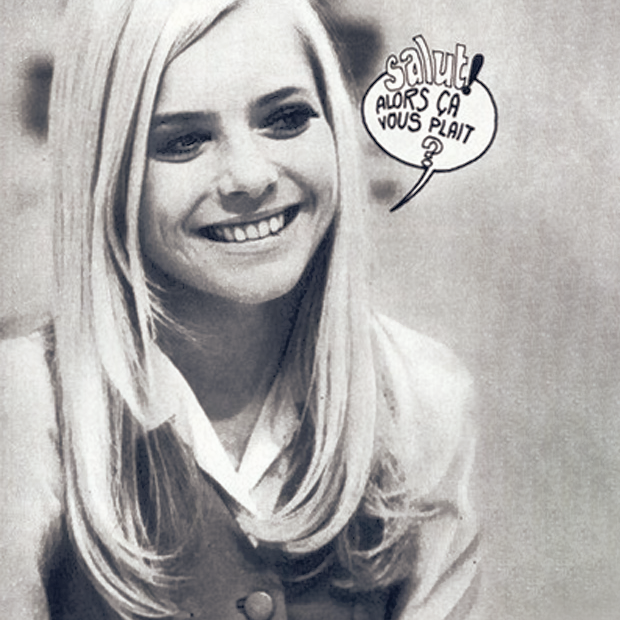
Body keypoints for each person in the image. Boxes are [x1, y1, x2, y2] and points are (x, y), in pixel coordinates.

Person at [0, 0, 479, 618]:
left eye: (286, 119)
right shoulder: (24, 403)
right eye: (183, 141)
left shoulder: (422, 398)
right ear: (105, 169)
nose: (251, 177)